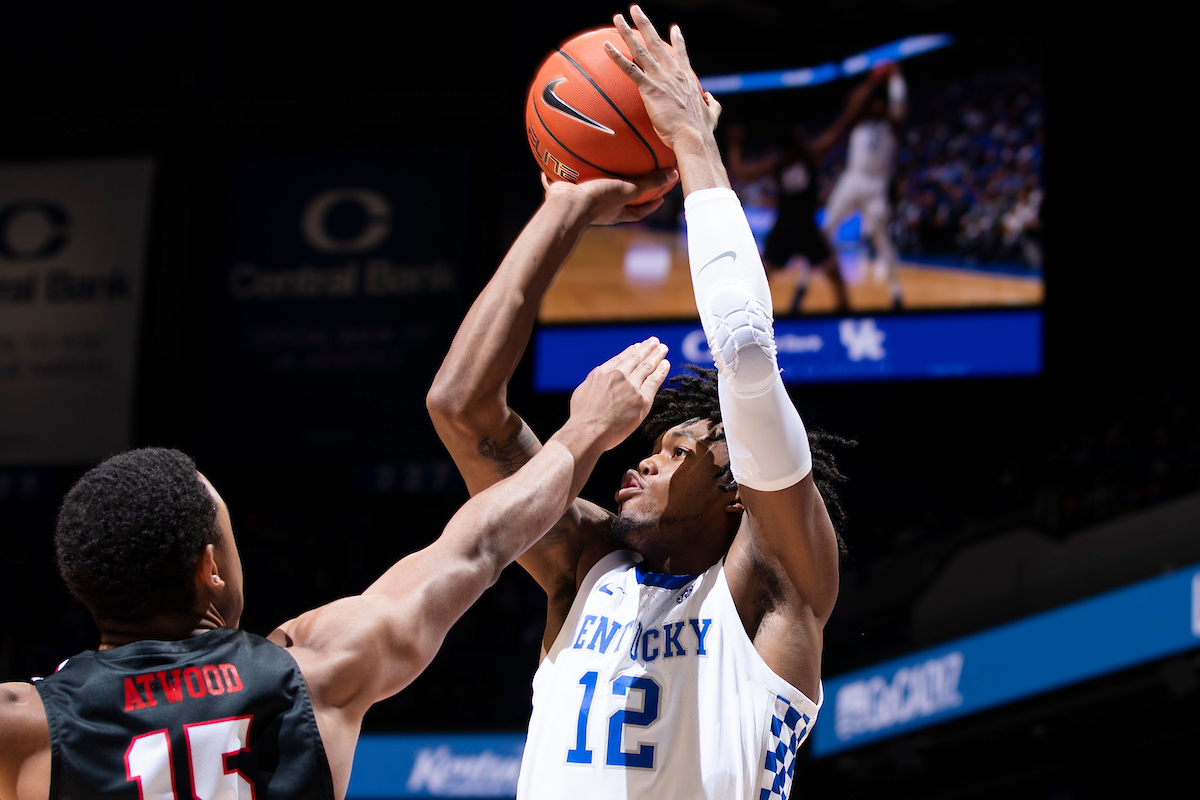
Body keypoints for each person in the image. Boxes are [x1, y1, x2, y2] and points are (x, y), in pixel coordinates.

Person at [427, 7, 848, 798]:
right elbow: (461, 407)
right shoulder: (584, 565)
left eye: (679, 449)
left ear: (735, 490)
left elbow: (748, 359)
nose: (646, 455)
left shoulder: (772, 587)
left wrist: (693, 141)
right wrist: (566, 206)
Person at [0, 338, 671, 800]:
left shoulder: (26, 722)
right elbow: (483, 543)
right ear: (210, 568)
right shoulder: (316, 673)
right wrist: (585, 431)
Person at [725, 121, 849, 313]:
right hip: (802, 227)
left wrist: (734, 144)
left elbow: (741, 172)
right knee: (835, 276)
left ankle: (746, 317)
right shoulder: (809, 155)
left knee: (760, 281)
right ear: (799, 140)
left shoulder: (779, 162)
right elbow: (839, 128)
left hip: (787, 227)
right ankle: (846, 317)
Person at [820, 61, 908, 309]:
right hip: (852, 179)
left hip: (876, 186)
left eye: (882, 103)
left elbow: (898, 104)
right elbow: (854, 102)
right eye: (875, 103)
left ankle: (896, 291)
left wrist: (895, 78)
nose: (878, 106)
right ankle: (804, 284)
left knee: (882, 237)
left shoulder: (891, 126)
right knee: (825, 228)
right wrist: (871, 82)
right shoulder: (859, 123)